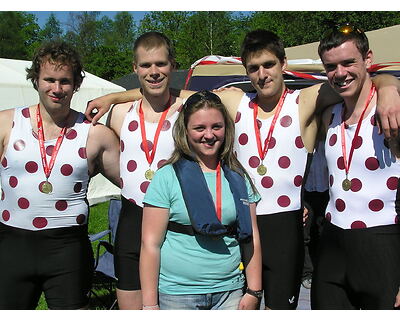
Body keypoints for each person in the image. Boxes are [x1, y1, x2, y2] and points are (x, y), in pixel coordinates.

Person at [85, 29, 400, 310]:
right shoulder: (236, 102)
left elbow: (357, 81)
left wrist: (388, 85)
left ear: (283, 64)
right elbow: (172, 94)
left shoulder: (304, 101)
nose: (262, 74)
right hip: (240, 223)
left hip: (283, 227)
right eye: (254, 68)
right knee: (241, 303)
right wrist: (115, 96)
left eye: (269, 65)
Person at [0, 41, 120, 309]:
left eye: (65, 81)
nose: (56, 89)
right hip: (12, 246)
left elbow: (135, 184)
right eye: (49, 80)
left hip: (67, 250)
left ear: (76, 84)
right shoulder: (6, 123)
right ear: (35, 81)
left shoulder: (95, 134)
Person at [140, 90, 262, 310]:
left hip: (230, 293)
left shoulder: (238, 177)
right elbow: (150, 245)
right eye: (199, 128)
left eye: (216, 126)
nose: (209, 135)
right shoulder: (166, 177)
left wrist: (254, 290)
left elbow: (251, 237)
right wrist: (150, 306)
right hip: (178, 295)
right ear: (185, 131)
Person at [311, 23, 400, 309]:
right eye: (331, 66)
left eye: (348, 62)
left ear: (368, 60)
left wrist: (388, 87)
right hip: (333, 245)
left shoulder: (391, 113)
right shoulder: (329, 116)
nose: (340, 73)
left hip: (382, 244)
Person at [105, 32, 184, 309]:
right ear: (134, 68)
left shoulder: (186, 109)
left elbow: (212, 97)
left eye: (161, 64)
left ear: (173, 65)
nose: (154, 72)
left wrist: (115, 93)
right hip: (132, 216)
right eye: (146, 65)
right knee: (131, 300)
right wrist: (116, 98)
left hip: (174, 221)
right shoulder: (119, 113)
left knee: (172, 302)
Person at [301, 140, 330, 290]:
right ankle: (307, 273)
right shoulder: (304, 142)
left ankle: (323, 269)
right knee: (305, 234)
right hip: (306, 194)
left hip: (326, 193)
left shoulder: (328, 143)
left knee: (323, 232)